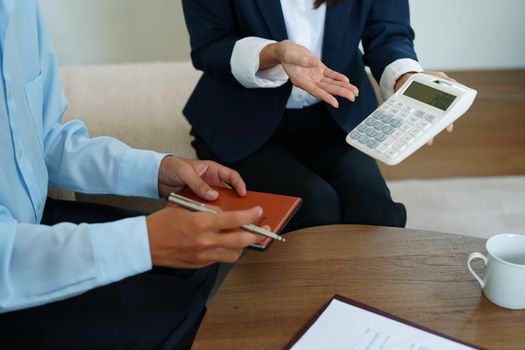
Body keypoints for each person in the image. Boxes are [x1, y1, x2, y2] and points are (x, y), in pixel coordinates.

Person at [0, 1, 267, 348]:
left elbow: (47, 138)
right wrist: (142, 242)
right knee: (176, 310)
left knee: (196, 263)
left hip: (30, 221)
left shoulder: (19, 8)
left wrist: (157, 169)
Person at [181, 0, 456, 232]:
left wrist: (405, 77)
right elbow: (209, 45)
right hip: (239, 122)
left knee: (375, 212)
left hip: (334, 116)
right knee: (314, 208)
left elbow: (388, 32)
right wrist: (273, 53)